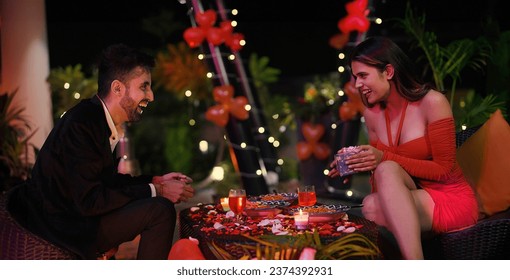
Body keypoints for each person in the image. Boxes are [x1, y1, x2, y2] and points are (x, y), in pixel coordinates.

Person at [8, 44, 195, 259]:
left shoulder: (96, 118)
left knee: (153, 204)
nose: (151, 96)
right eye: (144, 87)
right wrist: (158, 191)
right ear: (117, 88)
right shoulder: (81, 124)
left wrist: (155, 180)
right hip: (62, 225)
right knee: (159, 211)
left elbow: (108, 182)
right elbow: (91, 200)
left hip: (77, 213)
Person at [328, 36, 478, 259]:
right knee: (371, 202)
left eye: (362, 75)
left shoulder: (432, 102)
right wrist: (359, 162)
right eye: (355, 77)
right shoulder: (372, 115)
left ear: (388, 72)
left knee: (382, 180)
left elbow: (444, 169)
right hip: (411, 201)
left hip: (449, 199)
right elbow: (383, 183)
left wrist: (383, 158)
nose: (357, 84)